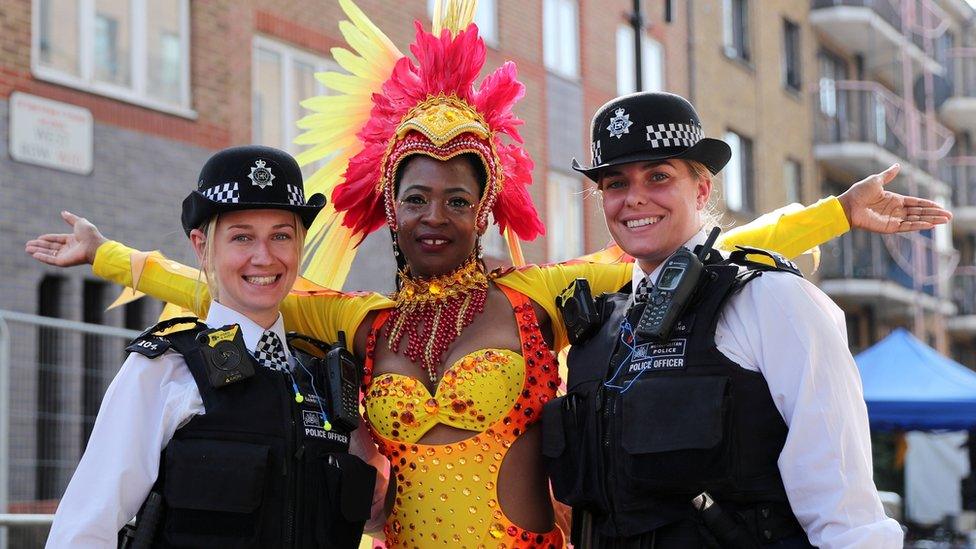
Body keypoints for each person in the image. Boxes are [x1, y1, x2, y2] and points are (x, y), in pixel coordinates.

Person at [27, 3, 949, 547]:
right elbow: (239, 292)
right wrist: (110, 257)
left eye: (456, 199)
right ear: (388, 206)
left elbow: (690, 244)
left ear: (486, 206)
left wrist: (833, 212)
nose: (435, 217)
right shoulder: (363, 320)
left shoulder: (536, 296)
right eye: (416, 197)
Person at [543, 91, 910, 548]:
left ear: (701, 189)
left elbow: (846, 510)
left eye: (658, 177)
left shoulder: (770, 300)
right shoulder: (597, 333)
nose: (634, 199)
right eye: (616, 184)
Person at [43, 145, 386, 548]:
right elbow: (85, 528)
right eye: (242, 237)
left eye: (281, 236)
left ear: (300, 246)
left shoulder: (326, 382)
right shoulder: (166, 369)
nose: (264, 256)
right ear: (202, 245)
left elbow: (373, 519)